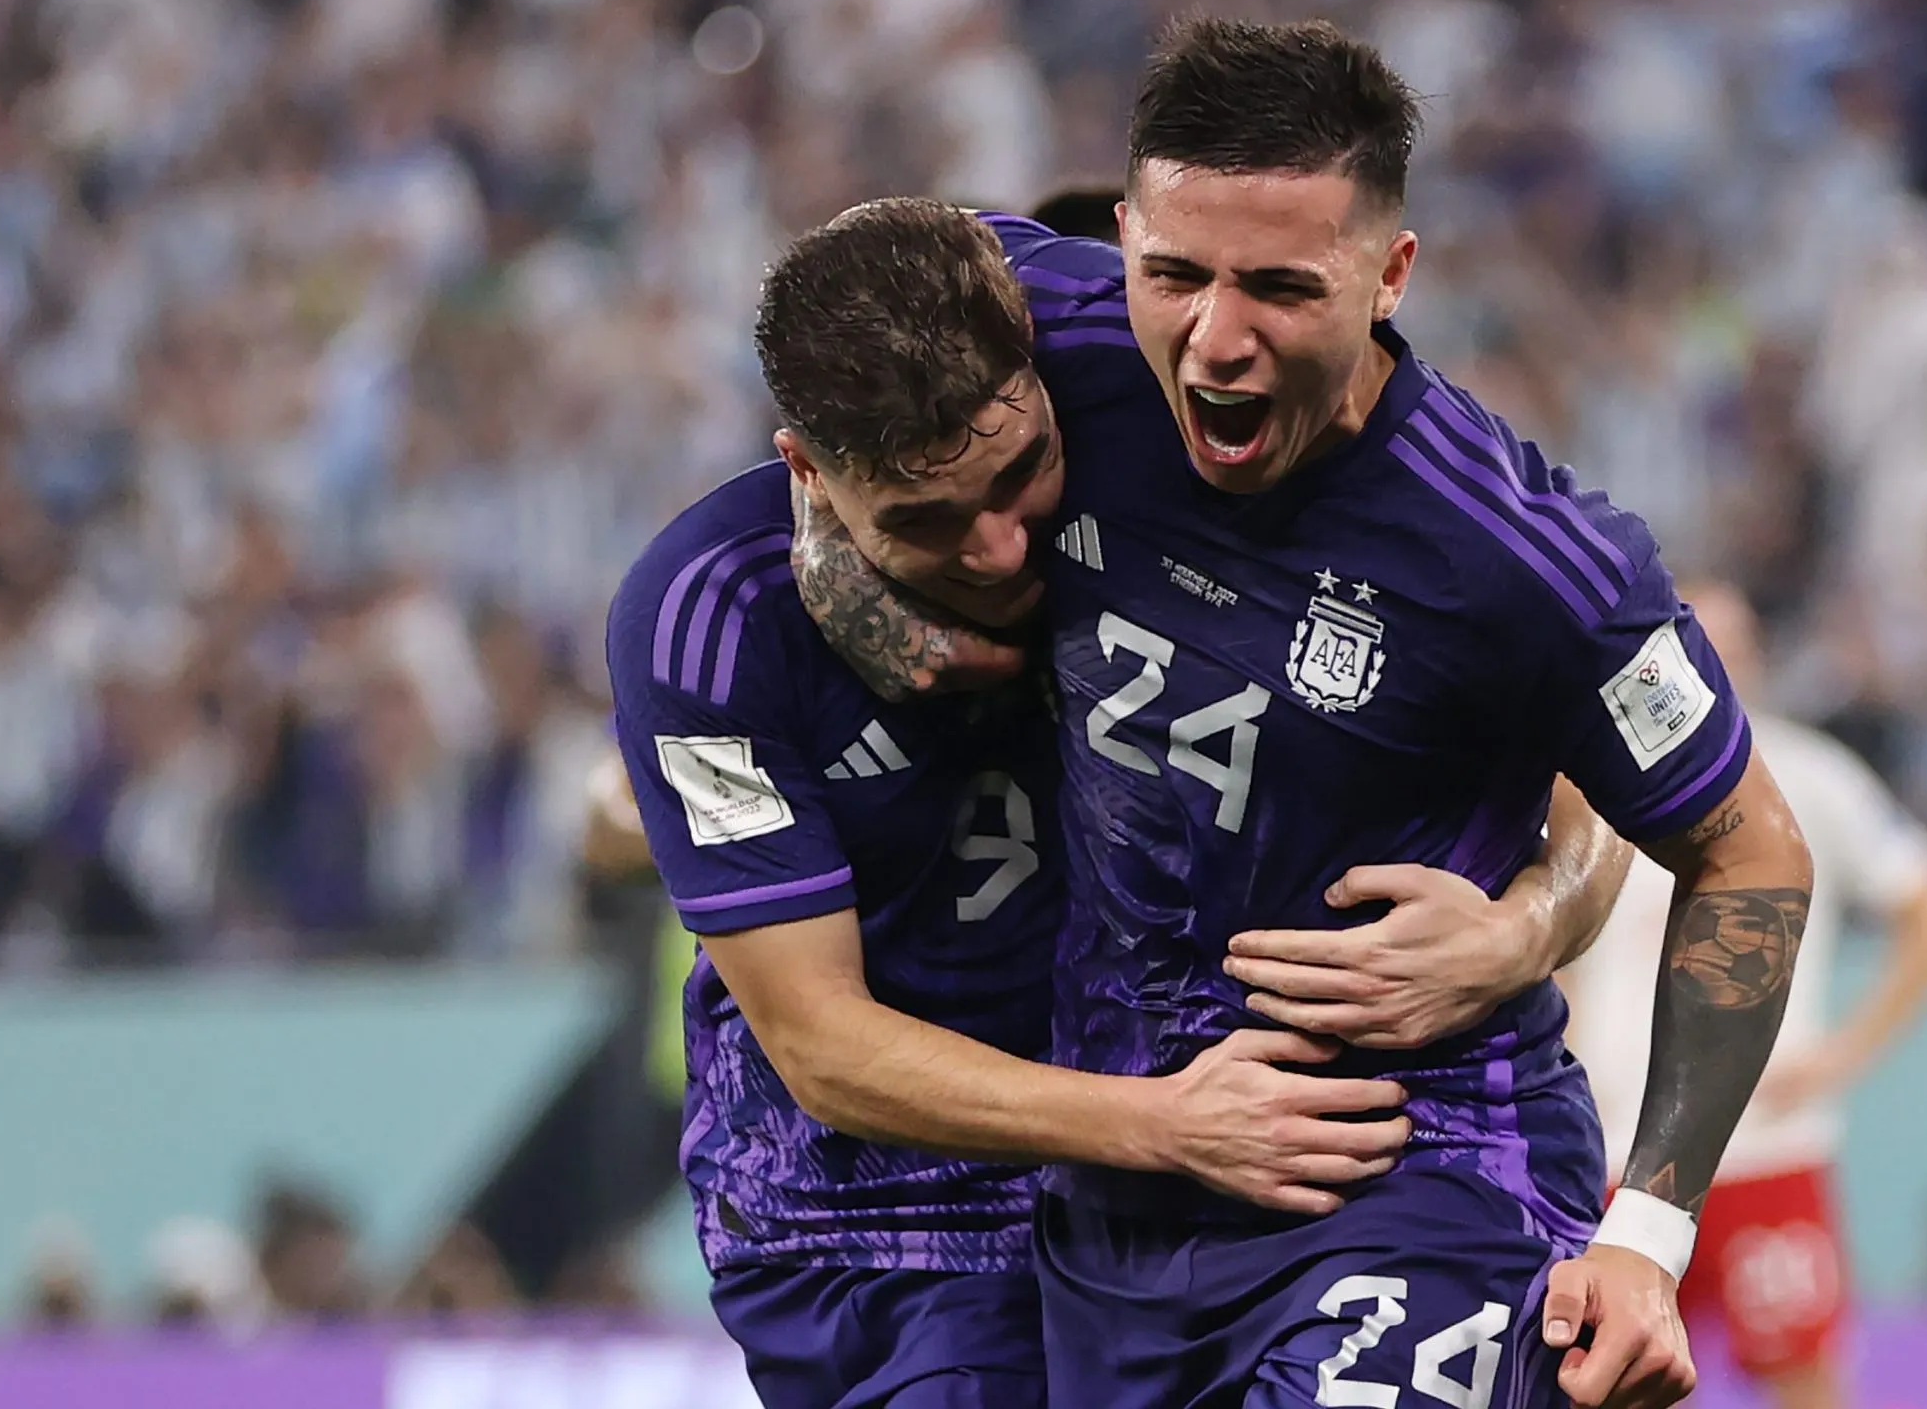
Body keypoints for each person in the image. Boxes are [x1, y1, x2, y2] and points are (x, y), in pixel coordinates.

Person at [784, 20, 1815, 1409]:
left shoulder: (1531, 560)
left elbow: (1750, 850)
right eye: (1174, 274)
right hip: (1122, 1225)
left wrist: (1646, 1229)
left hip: (1421, 1179)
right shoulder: (1042, 333)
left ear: (1391, 274)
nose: (1216, 340)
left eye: (1279, 287)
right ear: (1127, 238)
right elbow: (833, 349)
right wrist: (840, 571)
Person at [605, 202, 1638, 1407]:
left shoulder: (1164, 412)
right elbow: (820, 1044)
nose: (997, 550)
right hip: (881, 1210)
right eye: (926, 523)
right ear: (807, 473)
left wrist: (1534, 922)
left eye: (1016, 480)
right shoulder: (703, 622)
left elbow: (1581, 688)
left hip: (1177, 1183)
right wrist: (1163, 1124)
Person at [1563, 580, 1927, 1409]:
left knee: (1804, 1383)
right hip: (1608, 1146)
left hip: (1764, 1149)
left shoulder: (1810, 775)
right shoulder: (1587, 777)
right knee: (1602, 1384)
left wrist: (1840, 1057)